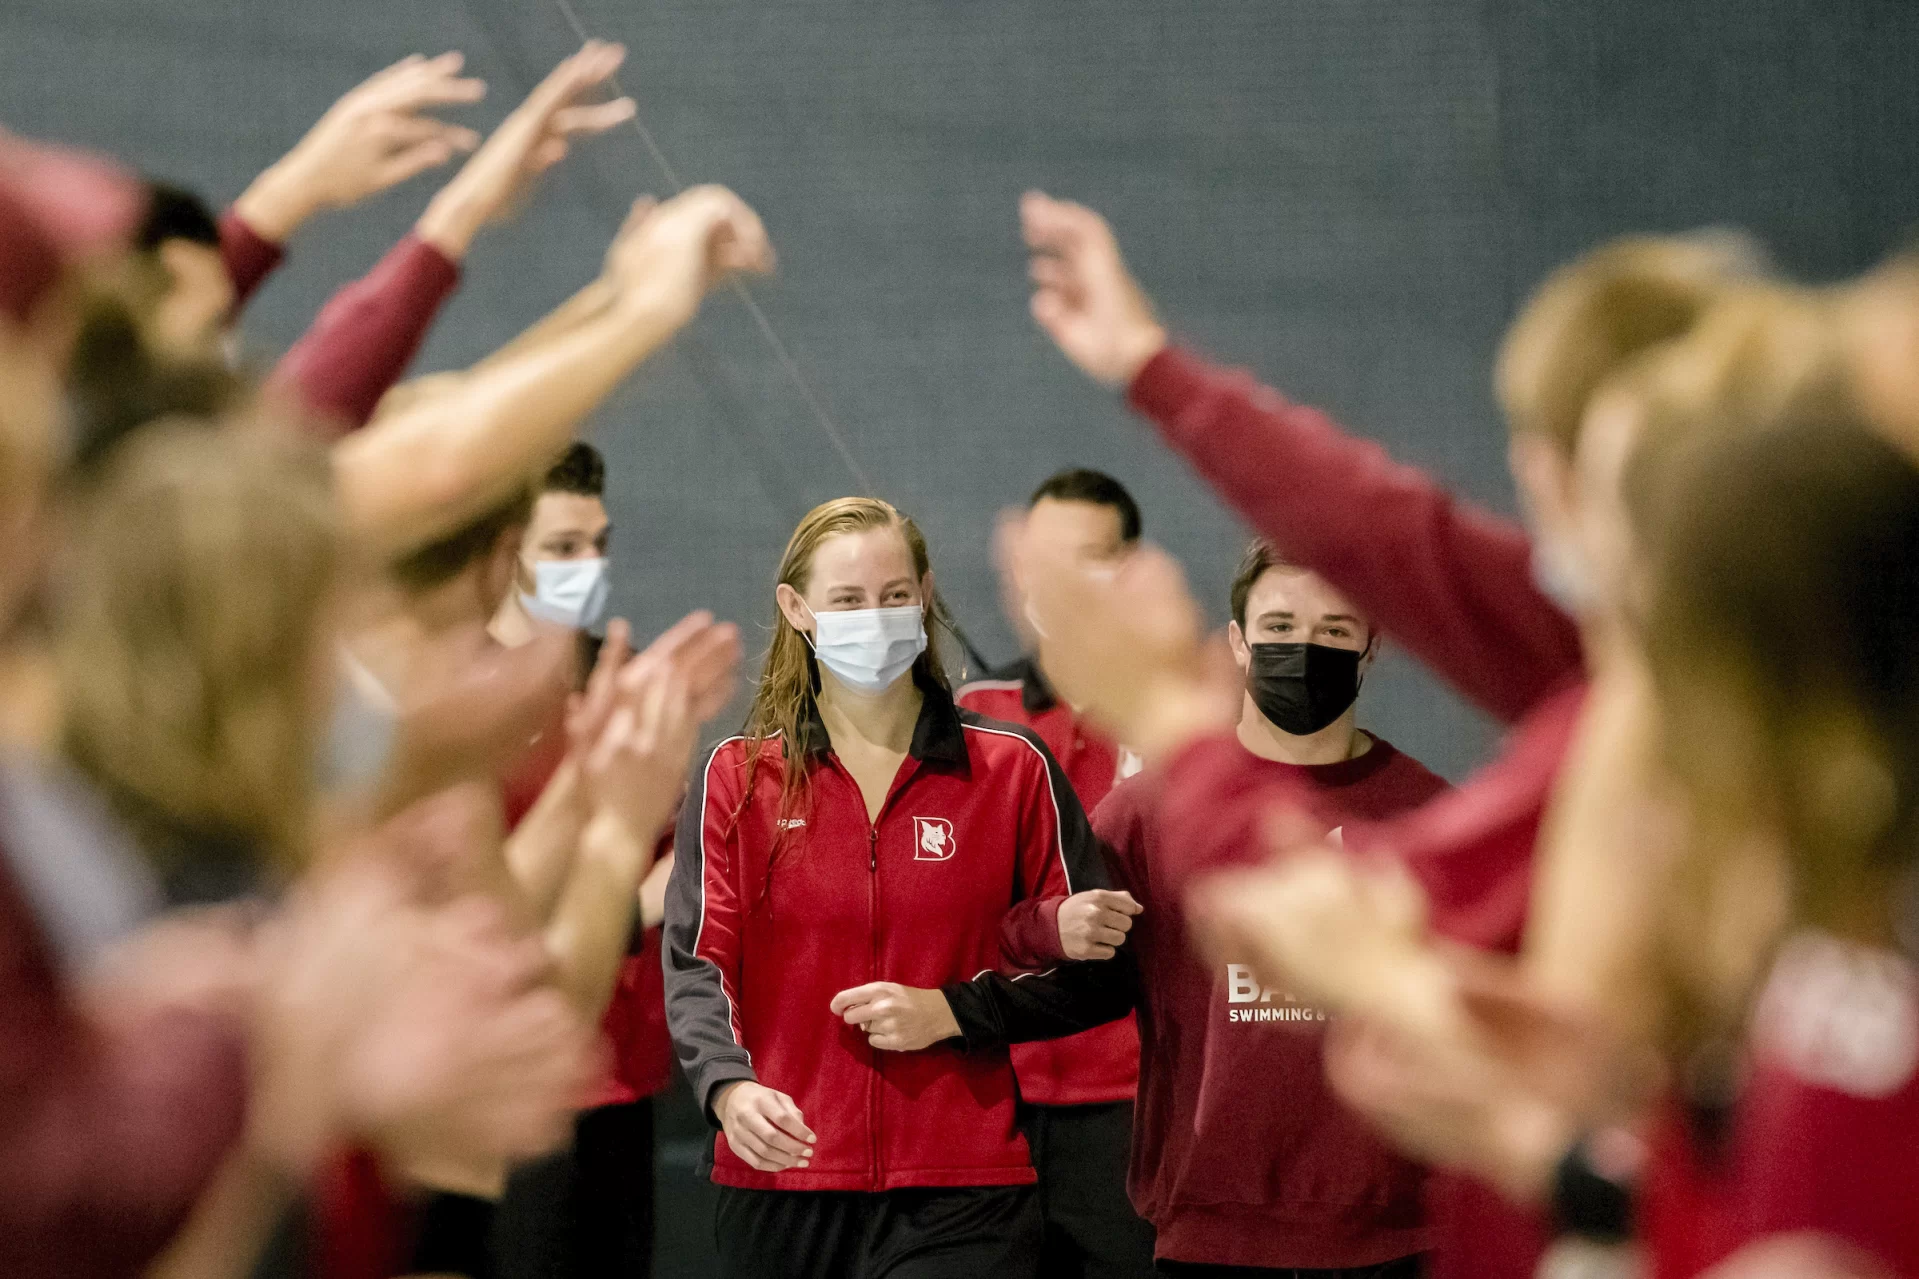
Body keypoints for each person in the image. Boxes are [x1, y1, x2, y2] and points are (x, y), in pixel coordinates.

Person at [1014, 190, 1752, 1279]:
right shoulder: (1671, 666)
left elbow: (1371, 925)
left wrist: (1173, 719)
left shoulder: (1666, 718)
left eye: (1542, 461)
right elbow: (1391, 532)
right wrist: (1150, 367)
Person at [663, 496, 1126, 1279]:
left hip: (963, 1186)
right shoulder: (737, 780)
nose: (873, 617)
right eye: (847, 599)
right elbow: (699, 966)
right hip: (785, 1175)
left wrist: (951, 1011)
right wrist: (728, 1090)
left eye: (894, 595)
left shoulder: (1010, 767)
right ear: (797, 608)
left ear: (924, 594)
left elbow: (1102, 975)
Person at [998, 541, 1449, 1277]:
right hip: (1211, 1235)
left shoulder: (1428, 812)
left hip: (1394, 1236)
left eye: (1334, 630)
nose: (1303, 647)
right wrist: (1042, 931)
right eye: (1278, 626)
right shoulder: (1149, 810)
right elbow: (1051, 963)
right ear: (1237, 641)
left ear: (1372, 643)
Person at [956, 466, 1154, 1279]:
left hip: (1131, 1100)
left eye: (1095, 556)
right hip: (986, 1091)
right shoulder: (970, 714)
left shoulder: (1174, 714)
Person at [492, 441, 678, 1279]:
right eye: (562, 547)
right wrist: (614, 902)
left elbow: (677, 861)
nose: (587, 565)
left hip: (616, 1073)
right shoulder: (449, 694)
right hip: (493, 1074)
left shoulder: (629, 677)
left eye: (596, 543)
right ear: (505, 550)